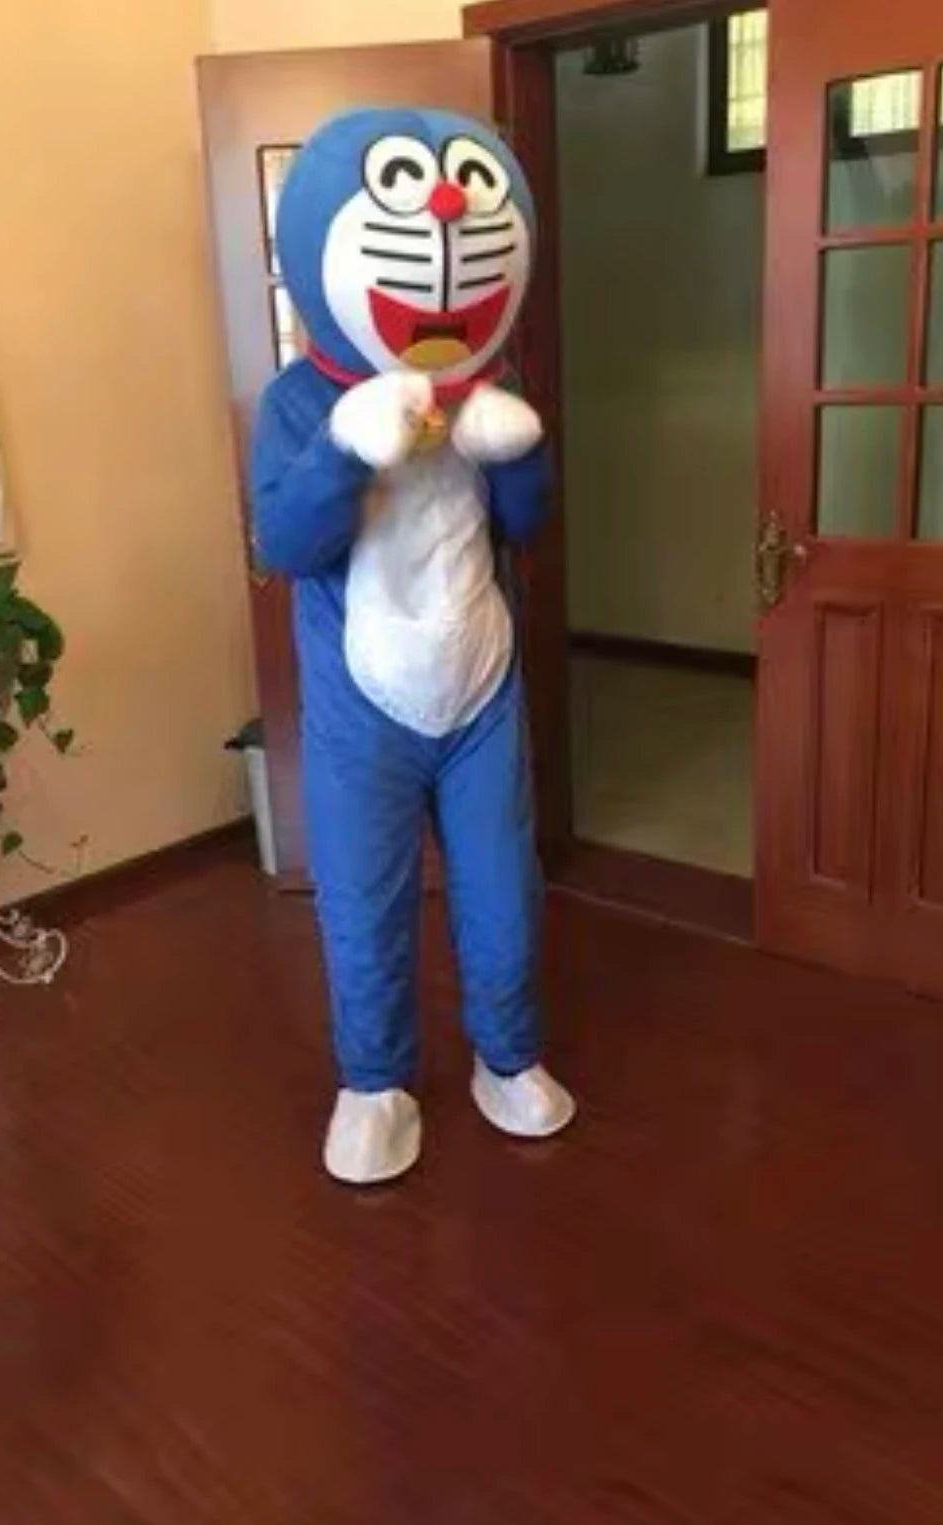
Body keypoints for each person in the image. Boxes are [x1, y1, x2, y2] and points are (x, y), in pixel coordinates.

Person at [251, 106, 575, 1185]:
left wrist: (516, 453)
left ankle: (508, 1057)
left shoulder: (498, 386)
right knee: (362, 900)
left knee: (504, 891)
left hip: (480, 687)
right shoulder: (298, 400)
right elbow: (286, 544)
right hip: (362, 708)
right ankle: (375, 1083)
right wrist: (346, 450)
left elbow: (524, 524)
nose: (442, 210)